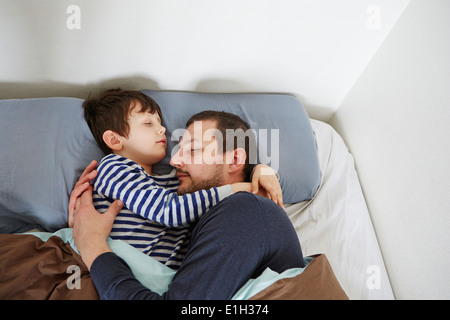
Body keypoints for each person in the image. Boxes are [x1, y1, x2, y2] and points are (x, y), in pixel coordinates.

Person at [71, 110, 304, 299]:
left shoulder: (245, 210)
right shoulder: (214, 213)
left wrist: (92, 246)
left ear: (234, 159)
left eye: (192, 149)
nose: (173, 161)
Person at [72, 89, 281, 269]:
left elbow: (204, 181)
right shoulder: (114, 167)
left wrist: (261, 170)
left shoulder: (171, 182)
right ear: (114, 140)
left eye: (160, 122)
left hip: (165, 280)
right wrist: (238, 188)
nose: (162, 129)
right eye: (148, 123)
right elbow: (168, 211)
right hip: (125, 267)